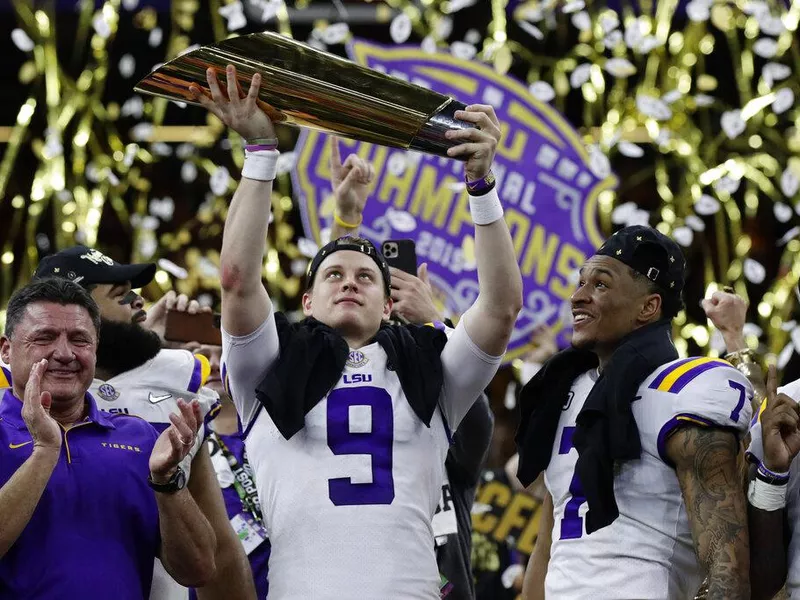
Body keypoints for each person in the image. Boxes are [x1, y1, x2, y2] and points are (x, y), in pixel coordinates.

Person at [189, 64, 522, 598]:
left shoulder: (428, 369)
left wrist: (481, 186)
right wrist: (260, 152)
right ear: (306, 301)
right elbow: (235, 279)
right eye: (334, 276)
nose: (350, 283)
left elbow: (502, 308)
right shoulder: (270, 368)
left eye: (367, 277)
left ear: (389, 305)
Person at [516, 226, 753, 599]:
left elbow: (728, 576)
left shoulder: (684, 392)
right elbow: (550, 547)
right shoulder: (568, 391)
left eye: (600, 285)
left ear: (648, 307)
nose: (577, 297)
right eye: (581, 282)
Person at [29, 246, 255, 600]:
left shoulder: (170, 392)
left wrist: (143, 346)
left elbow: (220, 551)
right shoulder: (14, 396)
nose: (139, 301)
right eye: (121, 295)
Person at [326, 135, 495, 600]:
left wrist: (433, 323)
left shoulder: (448, 418)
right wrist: (345, 223)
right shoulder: (342, 415)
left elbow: (478, 415)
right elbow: (325, 341)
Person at [0, 278, 216, 598]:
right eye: (44, 337)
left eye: (79, 339)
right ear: (6, 349)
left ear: (95, 349)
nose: (64, 353)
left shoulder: (139, 437)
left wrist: (167, 482)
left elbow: (198, 569)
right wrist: (46, 450)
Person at [184, 342, 271, 600]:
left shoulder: (277, 431)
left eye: (223, 354)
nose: (212, 363)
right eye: (200, 356)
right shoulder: (179, 441)